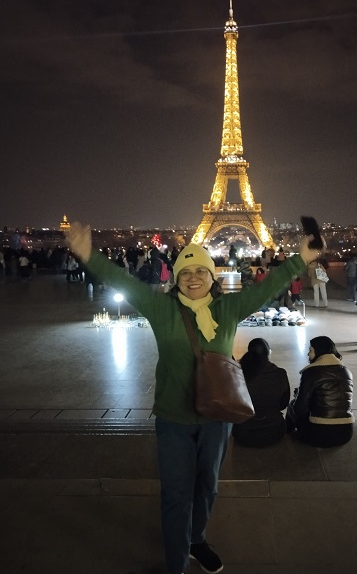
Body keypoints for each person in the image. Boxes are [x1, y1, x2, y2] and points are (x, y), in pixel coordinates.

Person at [66, 221, 324, 574]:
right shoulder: (161, 308)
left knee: (207, 488)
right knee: (176, 494)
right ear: (176, 279)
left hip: (217, 417)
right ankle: (176, 564)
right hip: (174, 418)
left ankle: (196, 540)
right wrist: (88, 256)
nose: (193, 278)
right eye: (185, 272)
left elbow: (269, 287)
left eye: (201, 271)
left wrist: (301, 259)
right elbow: (124, 282)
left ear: (212, 276)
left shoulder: (228, 308)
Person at [286, 336, 354, 447]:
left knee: (292, 405)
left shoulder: (311, 372)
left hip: (320, 436)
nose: (308, 354)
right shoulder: (346, 371)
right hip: (346, 434)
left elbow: (299, 409)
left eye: (310, 350)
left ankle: (286, 435)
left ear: (319, 351)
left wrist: (298, 395)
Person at [231, 338, 290, 447]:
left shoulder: (238, 374)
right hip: (274, 433)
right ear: (268, 353)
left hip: (243, 434)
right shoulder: (280, 373)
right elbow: (283, 404)